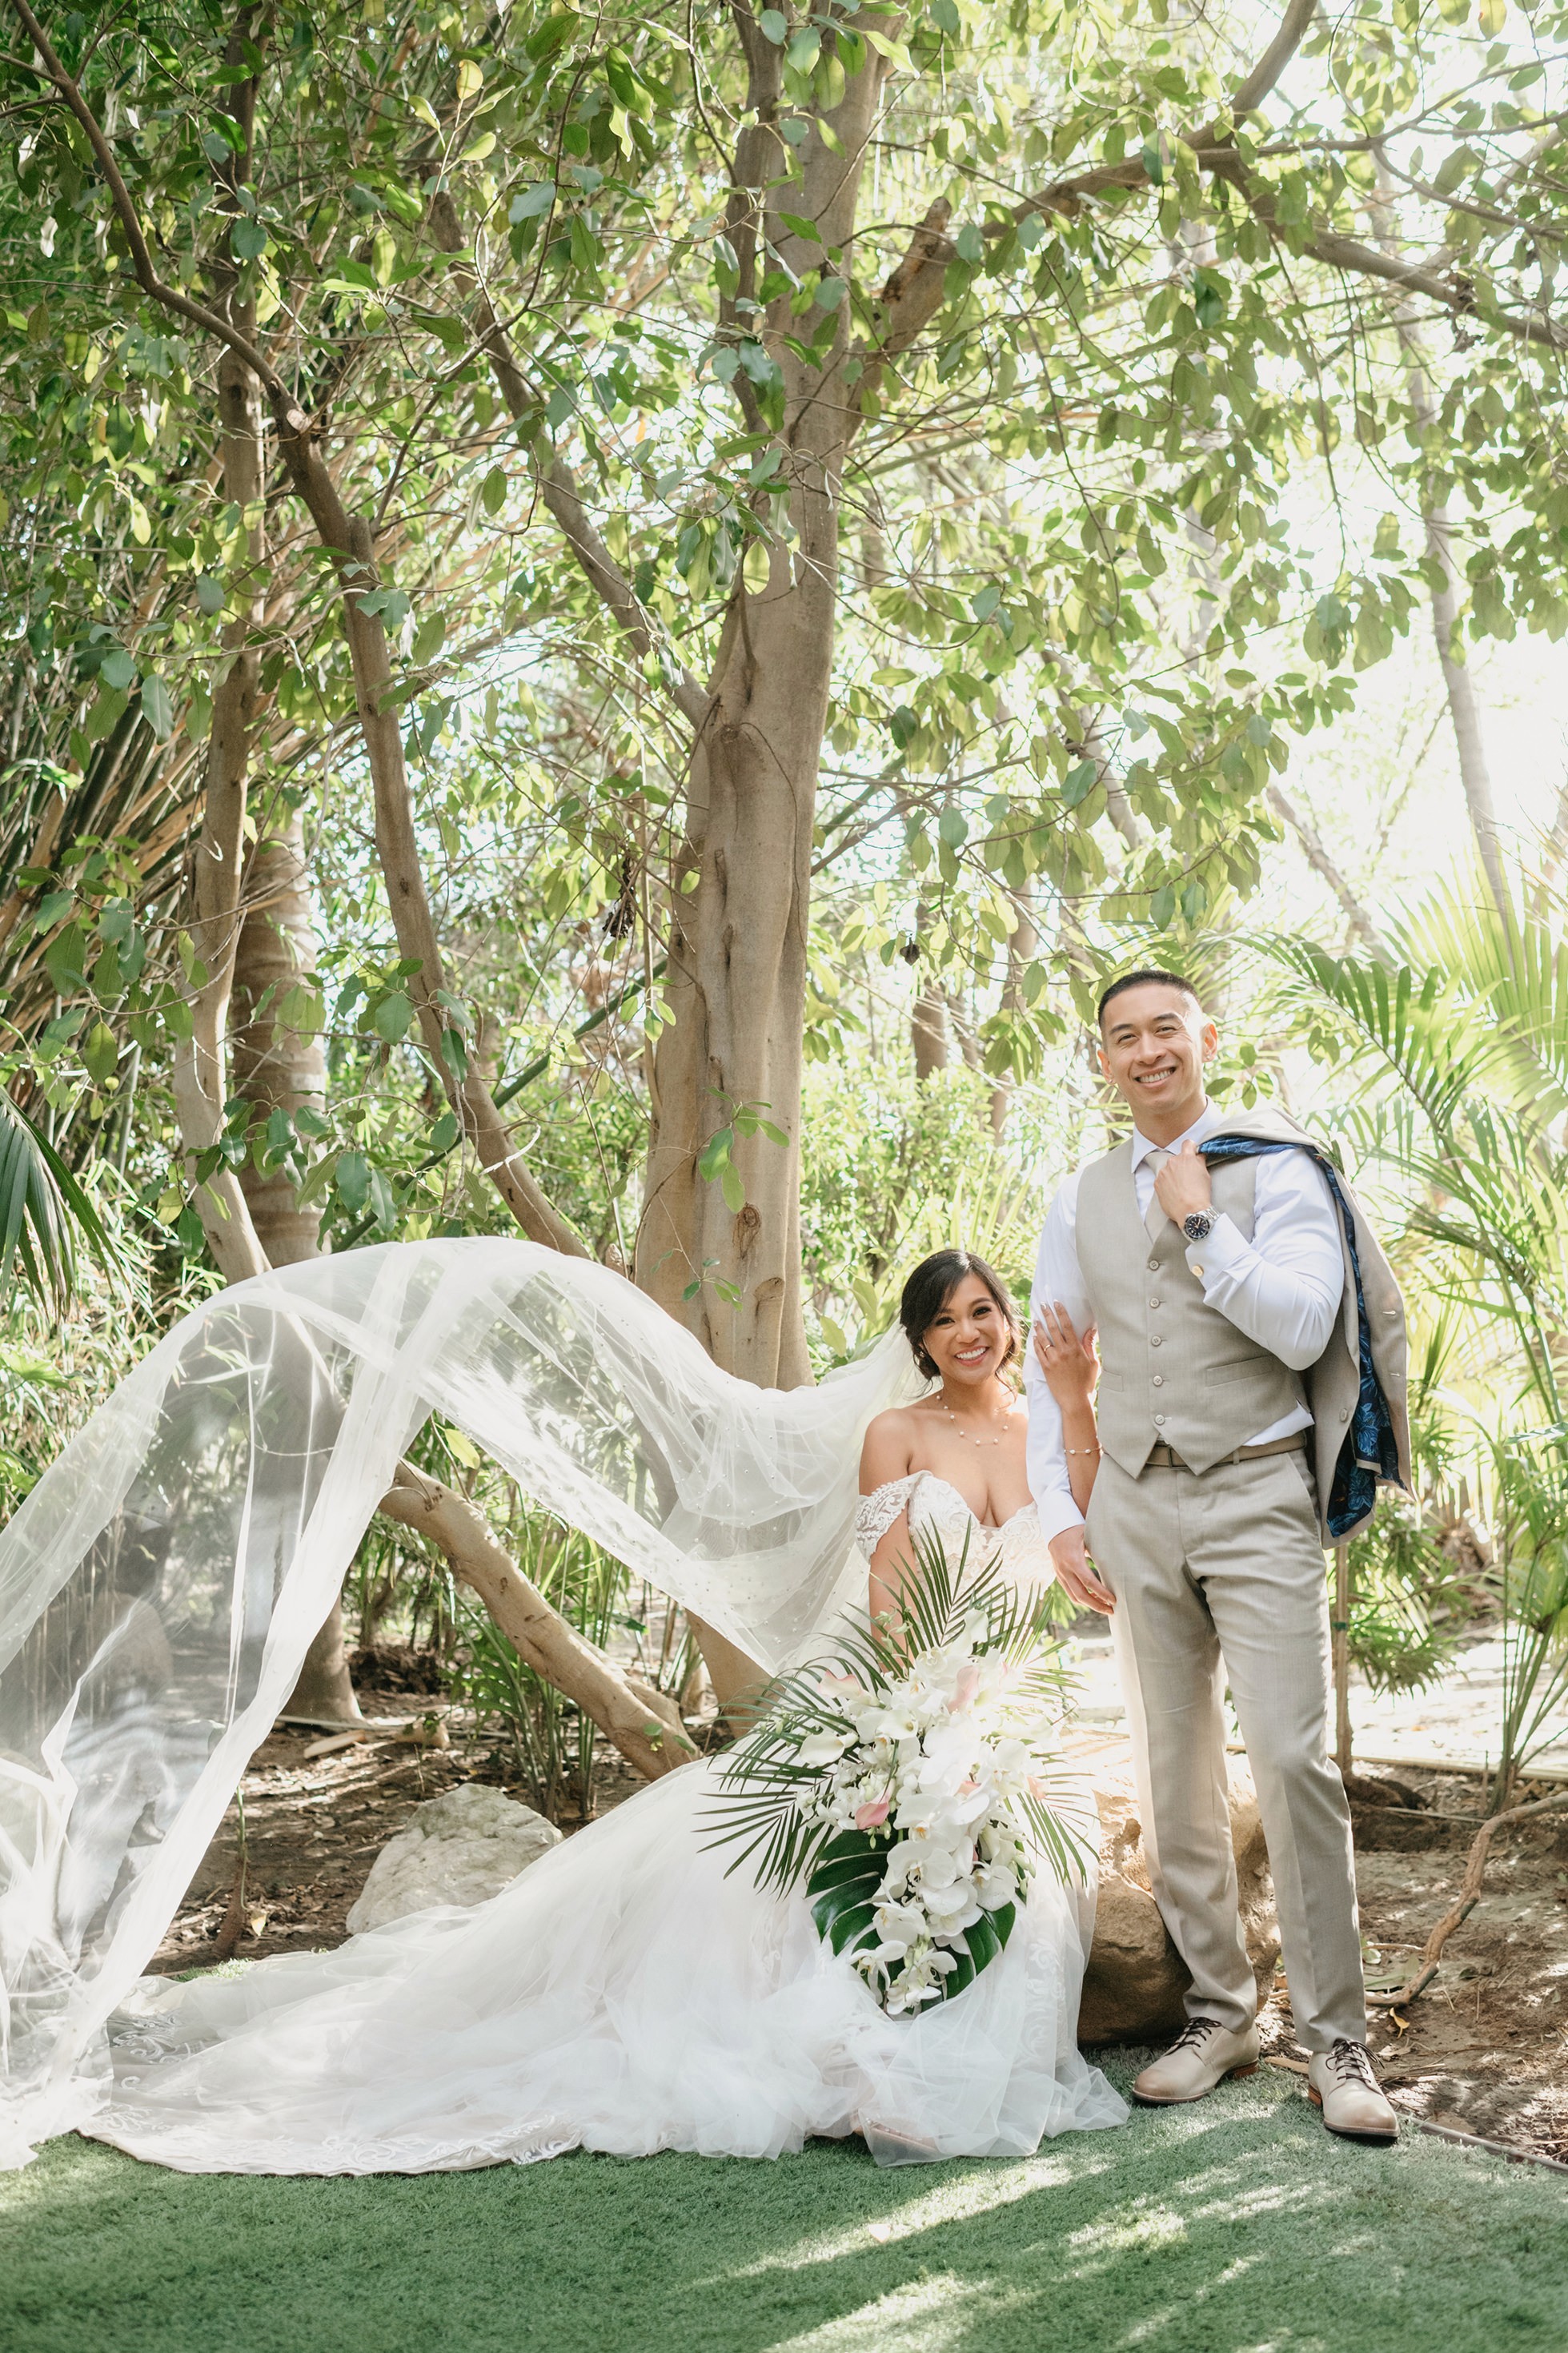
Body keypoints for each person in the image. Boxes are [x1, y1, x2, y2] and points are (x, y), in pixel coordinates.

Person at [58, 1248, 1125, 2176]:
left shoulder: (1042, 1429)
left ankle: (933, 2055)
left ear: (1008, 1319)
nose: (969, 1333)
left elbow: (1083, 1534)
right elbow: (896, 1603)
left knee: (1007, 1870)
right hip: (902, 1699)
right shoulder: (894, 1432)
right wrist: (919, 1724)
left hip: (1005, 1711)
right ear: (920, 1343)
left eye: (982, 1311)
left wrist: (1073, 1409)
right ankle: (864, 2064)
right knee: (850, 1860)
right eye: (945, 1321)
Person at [1025, 969, 1410, 2146]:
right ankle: (1219, 2014)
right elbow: (1057, 1364)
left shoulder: (1278, 1167)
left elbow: (1303, 1324)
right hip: (1134, 1501)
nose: (1146, 1053)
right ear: (1103, 1060)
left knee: (1293, 1762)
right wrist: (1060, 1509)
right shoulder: (1078, 1196)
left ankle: (1338, 2041)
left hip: (1255, 1491)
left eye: (1164, 1032)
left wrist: (1201, 1221)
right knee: (1171, 1768)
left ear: (1204, 1042)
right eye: (1122, 1039)